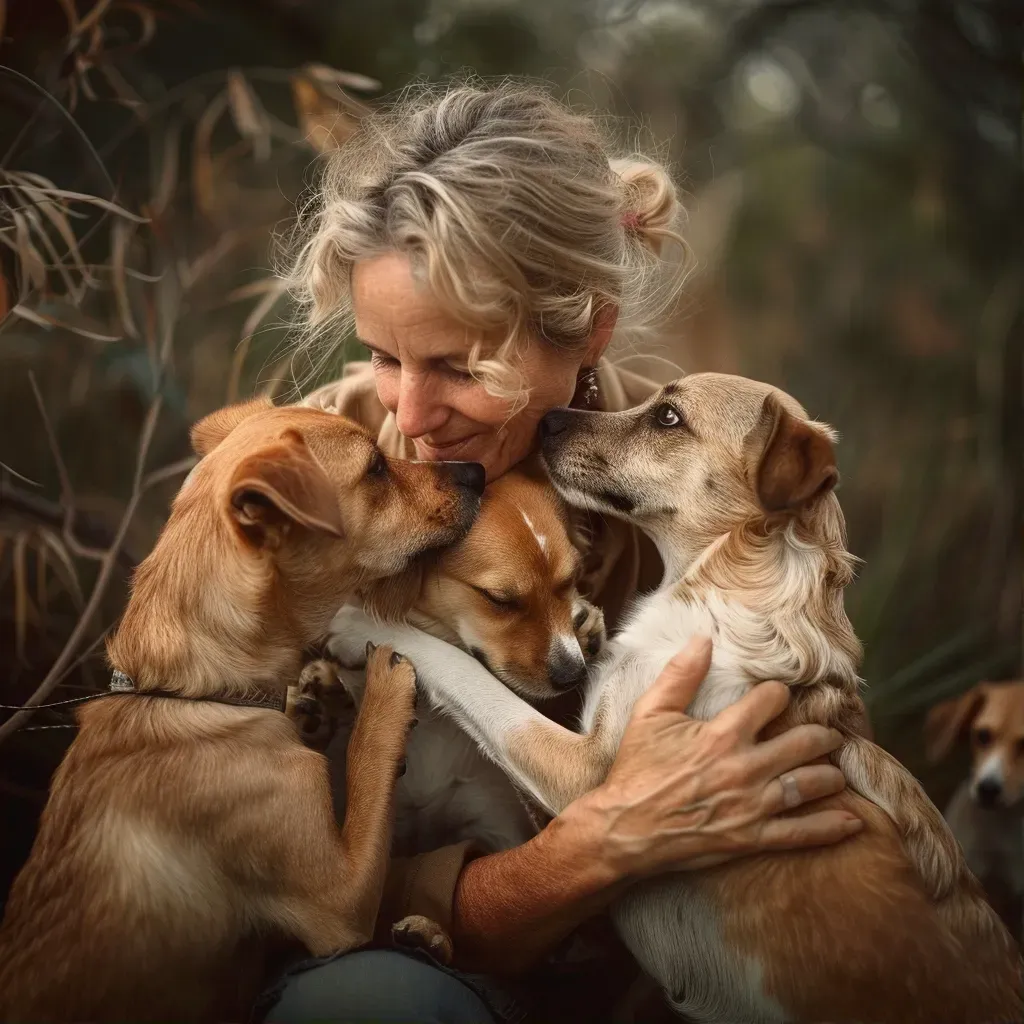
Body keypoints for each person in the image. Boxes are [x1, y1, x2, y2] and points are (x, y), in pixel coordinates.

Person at [259, 81, 862, 1024]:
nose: (409, 421)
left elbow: (770, 854)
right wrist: (597, 845)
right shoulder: (308, 469)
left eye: (461, 366)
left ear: (590, 329)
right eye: (382, 353)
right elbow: (240, 852)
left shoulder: (700, 491)